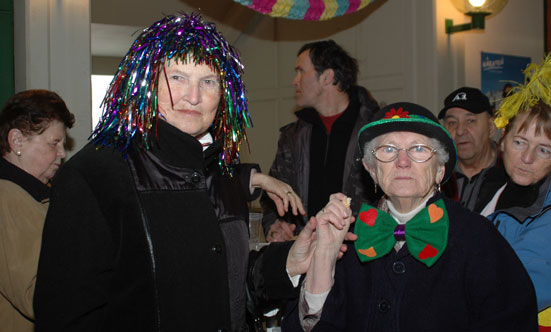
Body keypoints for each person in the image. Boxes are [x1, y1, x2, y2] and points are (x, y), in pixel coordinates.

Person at [33, 13, 339, 332]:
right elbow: (65, 316)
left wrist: (288, 263)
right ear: (146, 82)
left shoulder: (221, 173)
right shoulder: (95, 175)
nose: (193, 97)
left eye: (208, 81)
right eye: (177, 77)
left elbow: (231, 291)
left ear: (224, 94)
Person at [283, 102, 538, 331]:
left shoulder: (479, 240)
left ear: (439, 170)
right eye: (388, 149)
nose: (402, 161)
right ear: (371, 170)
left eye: (417, 149)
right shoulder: (348, 238)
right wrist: (324, 258)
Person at [261, 40, 380, 242]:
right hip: (303, 256)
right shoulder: (292, 136)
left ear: (327, 77)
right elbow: (273, 193)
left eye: (301, 71)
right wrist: (274, 224)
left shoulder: (376, 132)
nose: (294, 81)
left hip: (361, 256)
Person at [476, 55, 551, 328]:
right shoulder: (489, 188)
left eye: (543, 149)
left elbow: (518, 290)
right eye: (520, 142)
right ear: (503, 141)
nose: (527, 158)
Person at [0, 89, 74, 332]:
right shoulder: (6, 198)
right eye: (54, 143)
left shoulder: (36, 196)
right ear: (17, 141)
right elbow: (38, 297)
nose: (62, 154)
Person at [439, 87, 498, 210]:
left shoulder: (511, 174)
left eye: (470, 121)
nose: (460, 131)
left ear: (491, 127)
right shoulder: (437, 175)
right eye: (452, 123)